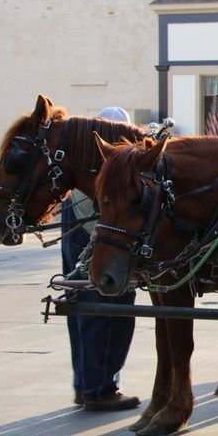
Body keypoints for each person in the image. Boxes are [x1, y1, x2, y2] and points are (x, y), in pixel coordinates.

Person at [65, 106, 139, 411]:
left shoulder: (85, 168)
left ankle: (85, 385)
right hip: (96, 238)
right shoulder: (109, 172)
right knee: (108, 309)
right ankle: (100, 389)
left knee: (82, 309)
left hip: (77, 231)